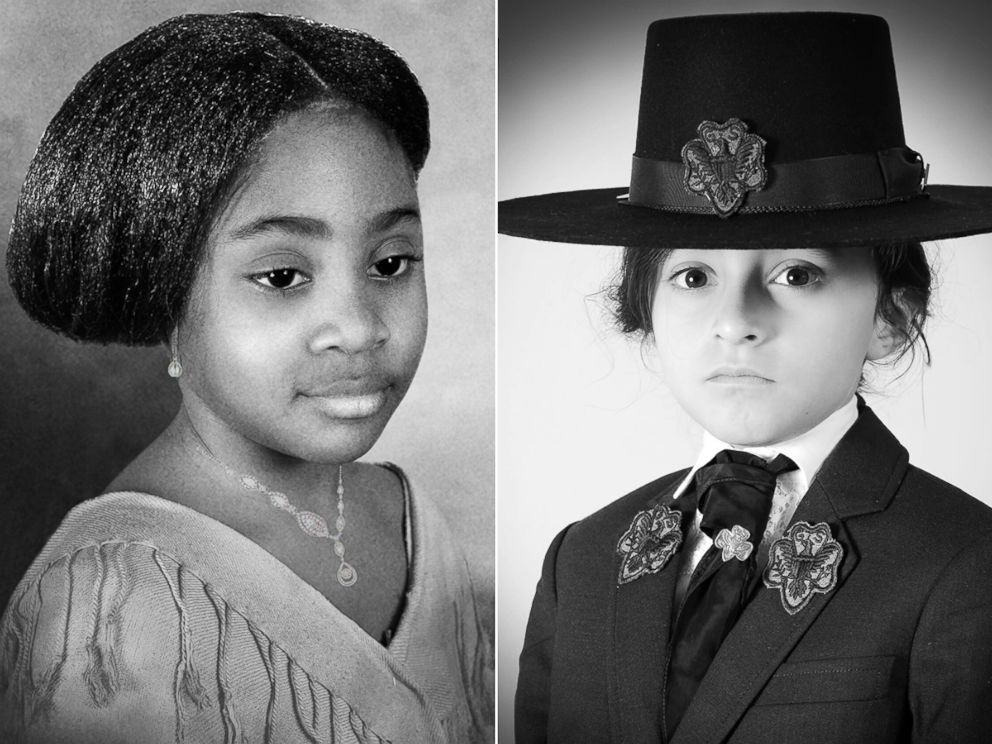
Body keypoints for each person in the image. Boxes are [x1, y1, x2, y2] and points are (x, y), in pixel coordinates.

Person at [500, 12, 992, 744]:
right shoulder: (584, 556)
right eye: (693, 275)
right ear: (644, 312)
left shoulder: (965, 563)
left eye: (798, 273)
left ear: (891, 316)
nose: (735, 320)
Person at [0, 12, 491, 743]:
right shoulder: (104, 619)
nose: (358, 327)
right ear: (163, 290)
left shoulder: (416, 521)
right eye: (284, 275)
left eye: (390, 264)